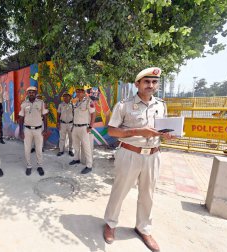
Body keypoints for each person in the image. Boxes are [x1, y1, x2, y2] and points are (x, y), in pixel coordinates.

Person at [103, 67, 173, 252]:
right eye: (147, 82)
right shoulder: (124, 105)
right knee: (120, 191)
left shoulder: (161, 105)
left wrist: (167, 135)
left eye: (154, 82)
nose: (151, 85)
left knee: (148, 195)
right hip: (130, 153)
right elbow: (111, 130)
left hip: (153, 155)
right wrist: (137, 131)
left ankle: (144, 228)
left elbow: (161, 128)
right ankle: (110, 224)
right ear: (137, 84)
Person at [18, 86, 48, 176]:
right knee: (27, 149)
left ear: (35, 93)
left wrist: (45, 128)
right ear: (27, 93)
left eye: (33, 92)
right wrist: (21, 131)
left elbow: (45, 116)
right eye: (29, 92)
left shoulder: (41, 103)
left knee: (39, 149)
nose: (31, 93)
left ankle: (40, 166)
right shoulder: (23, 104)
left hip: (39, 130)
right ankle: (29, 166)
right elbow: (21, 118)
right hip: (27, 130)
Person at [69, 85, 96, 174]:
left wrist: (90, 126)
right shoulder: (75, 102)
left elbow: (93, 114)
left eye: (81, 91)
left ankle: (89, 165)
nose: (78, 93)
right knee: (75, 145)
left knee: (86, 147)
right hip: (75, 127)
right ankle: (76, 159)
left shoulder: (89, 101)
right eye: (77, 91)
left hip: (84, 128)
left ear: (84, 93)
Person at [56, 92, 74, 157]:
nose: (65, 97)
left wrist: (74, 124)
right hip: (62, 123)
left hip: (70, 124)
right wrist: (57, 122)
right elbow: (58, 114)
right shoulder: (60, 105)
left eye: (67, 96)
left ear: (70, 97)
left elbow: (74, 114)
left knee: (71, 137)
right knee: (62, 138)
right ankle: (61, 150)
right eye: (64, 96)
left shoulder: (72, 105)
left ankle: (70, 150)